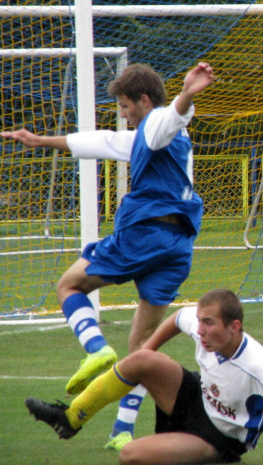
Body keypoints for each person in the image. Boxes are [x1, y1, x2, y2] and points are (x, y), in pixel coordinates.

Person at [2, 62, 214, 450]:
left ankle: (97, 350)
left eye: (124, 104)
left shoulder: (157, 125)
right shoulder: (156, 138)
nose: (122, 112)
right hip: (178, 247)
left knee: (69, 285)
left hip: (145, 235)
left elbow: (170, 116)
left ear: (144, 100)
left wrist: (187, 92)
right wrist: (41, 141)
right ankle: (119, 430)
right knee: (142, 351)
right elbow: (102, 141)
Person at [25, 289, 263, 465]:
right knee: (141, 359)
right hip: (194, 396)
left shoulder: (258, 368)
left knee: (131, 456)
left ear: (233, 327)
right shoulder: (203, 328)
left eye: (209, 323)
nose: (201, 329)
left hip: (216, 438)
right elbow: (179, 318)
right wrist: (148, 352)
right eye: (201, 321)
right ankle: (69, 419)